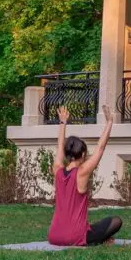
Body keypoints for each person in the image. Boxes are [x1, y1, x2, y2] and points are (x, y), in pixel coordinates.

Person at [47, 105, 122, 247]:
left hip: (54, 236)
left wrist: (63, 122)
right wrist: (109, 122)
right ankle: (97, 240)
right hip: (74, 237)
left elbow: (59, 147)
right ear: (82, 154)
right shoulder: (81, 172)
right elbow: (100, 148)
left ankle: (96, 237)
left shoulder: (57, 170)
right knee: (116, 221)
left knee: (92, 226)